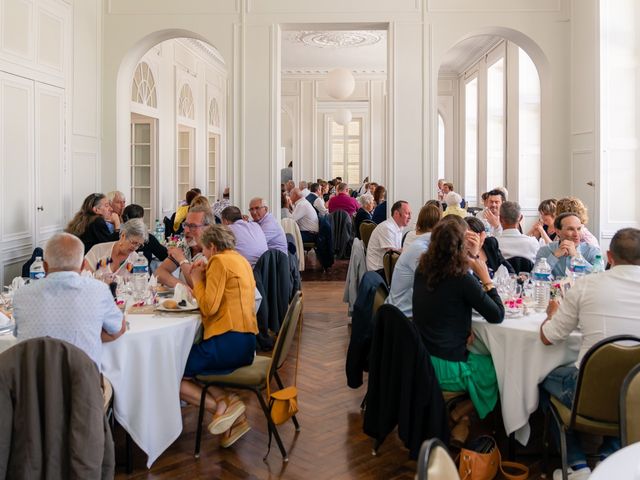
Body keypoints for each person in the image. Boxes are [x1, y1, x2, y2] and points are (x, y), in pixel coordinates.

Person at [539, 228, 640, 480]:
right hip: (637, 395)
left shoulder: (587, 285)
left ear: (609, 256)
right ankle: (610, 457)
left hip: (587, 392)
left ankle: (576, 464)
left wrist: (550, 315)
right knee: (626, 381)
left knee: (540, 378)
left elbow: (549, 337)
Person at [412, 216, 504, 429]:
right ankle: (459, 413)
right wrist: (486, 279)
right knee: (502, 367)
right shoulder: (462, 278)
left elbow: (445, 305)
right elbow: (497, 314)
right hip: (447, 368)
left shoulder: (423, 269)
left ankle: (462, 424)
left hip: (422, 358)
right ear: (460, 246)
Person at [180, 225, 258, 448]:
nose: (203, 254)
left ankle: (223, 409)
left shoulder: (218, 261)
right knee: (192, 367)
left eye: (203, 249)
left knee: (172, 371)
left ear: (212, 247)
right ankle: (230, 407)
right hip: (246, 341)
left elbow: (208, 307)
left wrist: (196, 278)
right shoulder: (239, 260)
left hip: (227, 341)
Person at [13, 233, 125, 369]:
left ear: (44, 266)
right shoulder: (99, 290)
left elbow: (20, 335)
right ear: (84, 265)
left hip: (32, 386)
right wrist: (90, 333)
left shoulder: (21, 295)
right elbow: (118, 329)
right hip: (83, 385)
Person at [386, 202, 441, 316]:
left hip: (400, 301)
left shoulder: (410, 235)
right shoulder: (421, 248)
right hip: (405, 311)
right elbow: (432, 282)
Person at [155, 205, 212, 288]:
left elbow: (200, 287)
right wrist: (183, 288)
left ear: (208, 228)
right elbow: (159, 272)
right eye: (185, 225)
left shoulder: (213, 251)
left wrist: (181, 260)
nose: (186, 230)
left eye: (193, 226)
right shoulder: (185, 244)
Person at [535, 212, 601, 278]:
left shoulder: (592, 250)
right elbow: (535, 278)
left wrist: (576, 256)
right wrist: (554, 257)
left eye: (579, 229)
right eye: (571, 229)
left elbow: (600, 278)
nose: (576, 234)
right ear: (558, 231)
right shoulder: (545, 250)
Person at [366, 201, 412, 275]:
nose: (410, 217)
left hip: (387, 267)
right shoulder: (387, 228)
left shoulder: (398, 227)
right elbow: (392, 255)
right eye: (407, 213)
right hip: (378, 271)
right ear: (396, 213)